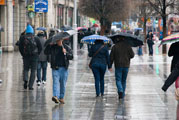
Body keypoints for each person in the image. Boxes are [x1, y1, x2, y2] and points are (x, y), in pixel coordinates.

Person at [44, 35, 73, 104]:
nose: (59, 42)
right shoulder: (53, 47)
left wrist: (66, 53)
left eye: (60, 40)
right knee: (55, 83)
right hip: (55, 68)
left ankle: (61, 97)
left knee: (63, 84)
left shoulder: (66, 47)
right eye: (58, 41)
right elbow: (46, 52)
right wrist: (49, 45)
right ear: (56, 41)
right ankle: (55, 96)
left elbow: (71, 57)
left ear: (62, 40)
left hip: (64, 68)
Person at [19, 24, 42, 90]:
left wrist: (23, 54)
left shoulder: (23, 37)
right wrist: (37, 54)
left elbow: (20, 47)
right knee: (33, 70)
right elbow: (40, 47)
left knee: (26, 69)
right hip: (34, 56)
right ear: (32, 31)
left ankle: (26, 79)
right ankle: (30, 86)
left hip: (26, 56)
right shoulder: (36, 38)